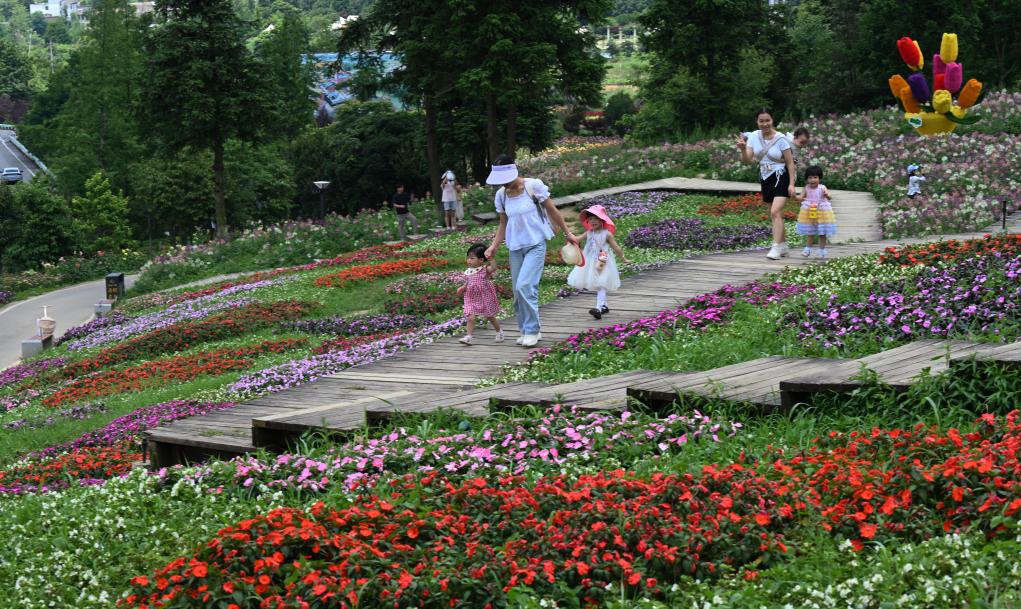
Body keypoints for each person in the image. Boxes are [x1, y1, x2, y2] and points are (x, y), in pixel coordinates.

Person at [484, 154, 578, 348]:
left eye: (505, 180)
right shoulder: (501, 195)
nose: (503, 184)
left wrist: (568, 232)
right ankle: (525, 330)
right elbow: (503, 223)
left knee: (525, 286)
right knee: (518, 292)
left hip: (536, 243)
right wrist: (494, 246)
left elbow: (552, 211)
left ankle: (533, 330)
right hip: (515, 246)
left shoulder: (533, 186)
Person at [737, 108, 798, 260]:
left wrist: (791, 184)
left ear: (772, 120)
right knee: (774, 213)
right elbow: (747, 160)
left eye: (767, 120)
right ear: (757, 122)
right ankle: (783, 246)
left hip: (781, 175)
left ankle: (776, 247)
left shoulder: (781, 139)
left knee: (775, 211)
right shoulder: (753, 137)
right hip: (766, 176)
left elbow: (790, 163)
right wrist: (743, 149)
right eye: (761, 121)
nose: (765, 124)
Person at [567, 205, 628, 320]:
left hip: (604, 262)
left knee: (601, 284)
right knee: (599, 283)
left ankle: (598, 308)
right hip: (591, 262)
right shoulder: (589, 233)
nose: (593, 221)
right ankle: (604, 306)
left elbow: (616, 247)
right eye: (590, 219)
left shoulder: (607, 234)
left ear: (602, 220)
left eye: (596, 218)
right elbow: (577, 239)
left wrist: (623, 257)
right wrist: (570, 236)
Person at [456, 244, 504, 345]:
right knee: (470, 317)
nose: (469, 260)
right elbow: (468, 282)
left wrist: (490, 259)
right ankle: (468, 336)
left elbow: (494, 267)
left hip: (484, 297)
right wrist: (463, 287)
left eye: (472, 258)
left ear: (481, 260)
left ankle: (499, 332)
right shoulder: (468, 271)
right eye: (468, 258)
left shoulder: (484, 270)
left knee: (490, 316)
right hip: (471, 297)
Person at [795, 165, 837, 259]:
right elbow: (800, 197)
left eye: (815, 177)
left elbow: (830, 197)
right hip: (810, 211)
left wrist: (827, 195)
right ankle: (807, 249)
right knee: (810, 232)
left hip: (822, 212)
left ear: (819, 178)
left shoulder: (822, 187)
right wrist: (794, 196)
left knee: (822, 233)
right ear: (807, 179)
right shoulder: (806, 188)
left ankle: (821, 250)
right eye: (810, 178)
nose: (812, 180)